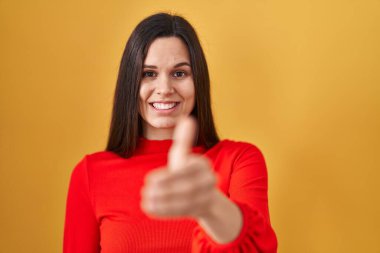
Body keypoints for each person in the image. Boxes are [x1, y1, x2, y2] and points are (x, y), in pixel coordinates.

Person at [63, 12, 278, 253]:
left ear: (198, 82)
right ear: (130, 82)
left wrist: (209, 206)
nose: (164, 89)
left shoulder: (239, 160)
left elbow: (259, 248)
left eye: (179, 73)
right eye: (149, 74)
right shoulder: (89, 174)